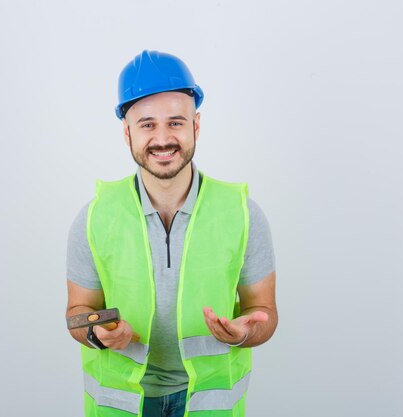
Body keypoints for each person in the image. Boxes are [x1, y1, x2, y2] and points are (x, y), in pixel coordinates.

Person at [66, 50, 278, 417]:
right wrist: (96, 333)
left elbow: (264, 312)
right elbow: (77, 312)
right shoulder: (95, 217)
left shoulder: (242, 213)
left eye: (175, 123)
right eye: (147, 124)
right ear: (126, 131)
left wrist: (244, 333)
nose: (162, 138)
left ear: (196, 126)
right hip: (122, 406)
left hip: (208, 405)